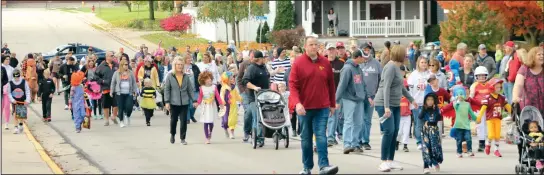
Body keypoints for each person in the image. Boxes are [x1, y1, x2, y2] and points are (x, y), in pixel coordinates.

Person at [288, 36, 338, 174]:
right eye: (311, 44)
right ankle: (307, 167)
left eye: (316, 44)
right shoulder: (298, 63)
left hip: (322, 107)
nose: (314, 47)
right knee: (306, 138)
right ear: (305, 47)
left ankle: (324, 166)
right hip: (304, 108)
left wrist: (332, 104)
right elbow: (292, 86)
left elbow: (331, 85)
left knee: (321, 135)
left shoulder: (325, 63)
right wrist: (297, 103)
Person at [374, 45, 416, 172]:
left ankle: (390, 160)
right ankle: (383, 161)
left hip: (395, 104)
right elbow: (386, 87)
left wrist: (411, 99)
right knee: (389, 131)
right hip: (384, 103)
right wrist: (386, 107)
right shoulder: (391, 67)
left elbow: (401, 87)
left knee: (395, 132)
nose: (407, 56)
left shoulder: (397, 67)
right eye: (405, 54)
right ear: (400, 54)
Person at [335, 49, 372, 154]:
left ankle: (355, 144)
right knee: (348, 121)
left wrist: (368, 96)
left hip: (359, 99)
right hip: (349, 99)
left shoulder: (359, 69)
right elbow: (341, 85)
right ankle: (347, 145)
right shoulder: (347, 69)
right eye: (362, 58)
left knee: (358, 123)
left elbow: (363, 84)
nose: (364, 60)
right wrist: (337, 100)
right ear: (358, 57)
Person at [164, 57, 197, 145]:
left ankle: (183, 138)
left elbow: (190, 89)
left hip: (184, 102)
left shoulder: (186, 76)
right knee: (173, 120)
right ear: (175, 65)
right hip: (173, 102)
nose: (180, 66)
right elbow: (167, 89)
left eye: (181, 65)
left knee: (184, 121)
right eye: (178, 64)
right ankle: (172, 134)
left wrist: (194, 100)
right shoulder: (170, 76)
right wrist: (167, 102)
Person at [476, 78, 511, 157]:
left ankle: (496, 150)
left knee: (497, 135)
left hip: (498, 118)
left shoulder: (502, 98)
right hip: (490, 119)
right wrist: (479, 117)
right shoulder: (487, 98)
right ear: (492, 87)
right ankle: (488, 145)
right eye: (497, 87)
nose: (499, 89)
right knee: (491, 135)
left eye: (500, 87)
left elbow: (507, 106)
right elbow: (483, 108)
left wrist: (513, 113)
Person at [241, 51, 270, 146]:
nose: (265, 59)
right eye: (263, 58)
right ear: (259, 59)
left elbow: (267, 77)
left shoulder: (264, 67)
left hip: (264, 96)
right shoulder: (251, 68)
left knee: (263, 118)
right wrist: (254, 87)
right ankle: (257, 137)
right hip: (254, 97)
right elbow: (245, 81)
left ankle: (261, 137)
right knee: (256, 117)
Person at [441, 85, 477, 158]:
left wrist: (476, 119)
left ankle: (469, 151)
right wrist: (457, 100)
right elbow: (456, 106)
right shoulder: (455, 104)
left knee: (468, 139)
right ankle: (459, 152)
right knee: (459, 140)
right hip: (458, 125)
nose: (460, 96)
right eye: (457, 94)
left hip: (466, 125)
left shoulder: (467, 104)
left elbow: (471, 113)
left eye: (461, 94)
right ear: (455, 96)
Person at [359, 43, 382, 150]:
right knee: (359, 119)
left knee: (367, 119)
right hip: (359, 96)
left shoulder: (376, 63)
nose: (366, 51)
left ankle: (365, 141)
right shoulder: (358, 63)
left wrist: (377, 94)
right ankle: (357, 140)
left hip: (372, 96)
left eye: (368, 49)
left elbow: (381, 80)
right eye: (364, 49)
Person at [407, 56, 430, 150]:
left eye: (425, 62)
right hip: (416, 103)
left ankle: (427, 140)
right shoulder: (413, 75)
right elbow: (409, 90)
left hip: (427, 103)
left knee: (428, 123)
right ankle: (419, 141)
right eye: (422, 62)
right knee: (418, 123)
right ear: (418, 63)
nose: (424, 64)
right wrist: (412, 101)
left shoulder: (430, 74)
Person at [513, 47, 544, 117]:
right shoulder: (524, 69)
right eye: (539, 54)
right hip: (530, 106)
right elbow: (518, 85)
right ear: (532, 56)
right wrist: (516, 96)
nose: (542, 56)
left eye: (543, 54)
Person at [195, 71, 224, 144]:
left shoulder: (214, 87)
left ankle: (210, 131)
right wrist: (197, 103)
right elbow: (200, 97)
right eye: (207, 78)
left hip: (212, 106)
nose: (209, 80)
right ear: (203, 80)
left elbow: (217, 96)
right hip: (205, 106)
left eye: (210, 78)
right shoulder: (202, 88)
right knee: (206, 122)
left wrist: (221, 104)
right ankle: (207, 137)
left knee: (211, 122)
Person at [419, 93, 444, 174]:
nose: (430, 101)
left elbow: (439, 118)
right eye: (428, 100)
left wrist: (435, 110)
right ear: (425, 101)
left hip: (434, 130)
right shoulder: (424, 108)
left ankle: (435, 162)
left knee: (434, 148)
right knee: (426, 148)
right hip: (425, 130)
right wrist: (423, 108)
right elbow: (420, 117)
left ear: (434, 101)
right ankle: (426, 166)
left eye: (431, 100)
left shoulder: (436, 108)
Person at [110, 59, 138, 128]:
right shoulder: (117, 73)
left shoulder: (130, 72)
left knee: (129, 107)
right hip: (119, 93)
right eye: (125, 64)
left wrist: (135, 91)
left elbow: (134, 83)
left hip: (129, 93)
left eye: (127, 64)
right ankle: (121, 121)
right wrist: (111, 91)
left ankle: (128, 115)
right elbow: (113, 83)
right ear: (121, 65)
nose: (127, 66)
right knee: (120, 107)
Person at [326, 43, 345, 145]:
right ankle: (330, 137)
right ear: (326, 51)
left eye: (333, 50)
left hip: (337, 94)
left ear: (336, 51)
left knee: (335, 116)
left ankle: (331, 137)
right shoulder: (323, 62)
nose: (331, 52)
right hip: (324, 94)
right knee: (328, 116)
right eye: (329, 50)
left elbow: (343, 80)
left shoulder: (341, 63)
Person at [95, 51, 119, 126]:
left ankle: (114, 117)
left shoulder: (116, 65)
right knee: (106, 105)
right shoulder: (101, 66)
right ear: (107, 57)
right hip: (106, 88)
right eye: (111, 56)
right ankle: (106, 120)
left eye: (113, 56)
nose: (113, 57)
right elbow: (96, 76)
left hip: (115, 88)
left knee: (116, 104)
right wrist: (101, 81)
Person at [7, 70, 31, 134]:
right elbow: (8, 93)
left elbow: (27, 91)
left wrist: (27, 100)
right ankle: (15, 127)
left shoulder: (24, 82)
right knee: (15, 114)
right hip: (15, 101)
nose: (16, 79)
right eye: (15, 77)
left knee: (21, 115)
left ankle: (20, 124)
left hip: (22, 100)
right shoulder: (10, 83)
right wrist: (12, 100)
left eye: (17, 77)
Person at [219, 71, 241, 139]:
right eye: (231, 79)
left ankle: (231, 133)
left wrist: (241, 100)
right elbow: (221, 95)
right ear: (226, 80)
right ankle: (225, 129)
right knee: (225, 121)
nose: (233, 79)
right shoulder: (223, 88)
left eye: (233, 78)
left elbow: (237, 96)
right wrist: (222, 101)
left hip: (233, 106)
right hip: (225, 106)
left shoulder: (234, 88)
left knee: (232, 120)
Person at [184, 54, 200, 124]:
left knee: (194, 104)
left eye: (190, 58)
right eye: (188, 58)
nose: (190, 59)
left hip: (195, 88)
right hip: (185, 89)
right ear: (185, 59)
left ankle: (191, 115)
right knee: (187, 104)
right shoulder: (182, 67)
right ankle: (187, 118)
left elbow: (200, 75)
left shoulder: (194, 66)